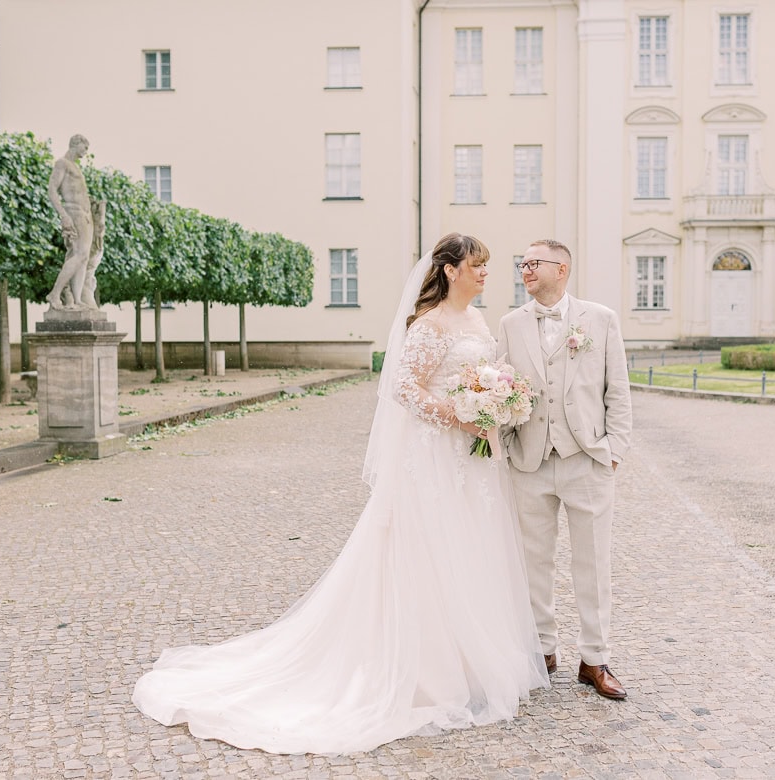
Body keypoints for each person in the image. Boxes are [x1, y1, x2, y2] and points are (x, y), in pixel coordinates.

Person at [133, 233, 548, 754]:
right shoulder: (432, 323)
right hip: (437, 456)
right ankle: (426, 673)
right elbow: (402, 387)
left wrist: (494, 403)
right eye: (477, 264)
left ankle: (472, 662)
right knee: (430, 553)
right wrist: (459, 416)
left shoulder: (478, 321)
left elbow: (478, 377)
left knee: (471, 550)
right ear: (450, 271)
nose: (486, 272)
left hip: (474, 461)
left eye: (486, 265)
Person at [497, 239, 633, 700]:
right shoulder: (510, 324)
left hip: (587, 459)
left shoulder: (601, 319)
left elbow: (618, 391)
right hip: (531, 461)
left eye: (533, 263)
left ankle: (594, 659)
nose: (525, 270)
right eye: (523, 263)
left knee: (593, 563)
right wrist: (508, 445)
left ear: (563, 268)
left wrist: (614, 450)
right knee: (533, 562)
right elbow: (500, 385)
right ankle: (543, 649)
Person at [46, 134, 94, 309]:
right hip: (74, 212)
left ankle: (78, 298)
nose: (86, 151)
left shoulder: (76, 167)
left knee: (83, 257)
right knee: (79, 254)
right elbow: (52, 191)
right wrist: (63, 215)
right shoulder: (62, 163)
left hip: (86, 215)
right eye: (85, 147)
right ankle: (55, 293)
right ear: (76, 143)